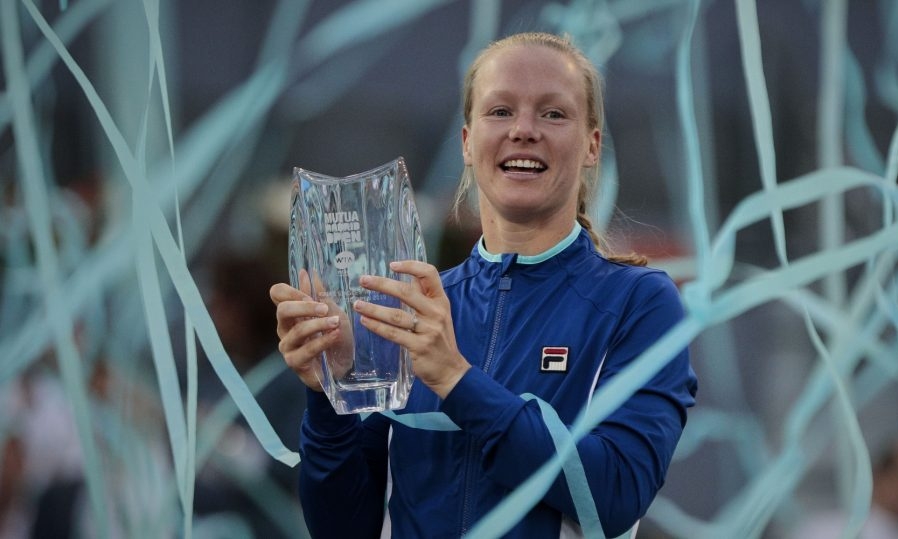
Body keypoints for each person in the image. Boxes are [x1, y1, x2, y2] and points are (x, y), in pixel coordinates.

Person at [270, 32, 698, 538]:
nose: (523, 130)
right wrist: (330, 392)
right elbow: (343, 527)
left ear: (591, 145)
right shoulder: (408, 311)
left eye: (553, 114)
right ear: (469, 143)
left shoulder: (638, 303)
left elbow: (615, 497)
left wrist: (455, 379)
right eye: (500, 111)